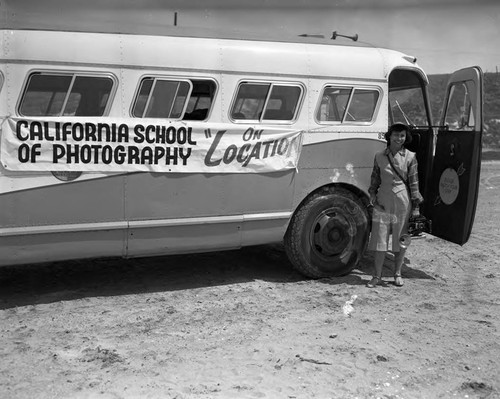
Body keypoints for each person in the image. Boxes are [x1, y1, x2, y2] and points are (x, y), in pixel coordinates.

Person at [366, 123, 423, 288]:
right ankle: (376, 276)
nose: (399, 138)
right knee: (379, 238)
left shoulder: (411, 157)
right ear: (389, 136)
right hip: (382, 202)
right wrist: (371, 195)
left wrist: (417, 206)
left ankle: (397, 274)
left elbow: (414, 183)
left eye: (402, 135)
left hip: (402, 201)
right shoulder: (379, 156)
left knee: (401, 239)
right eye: (396, 135)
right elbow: (375, 178)